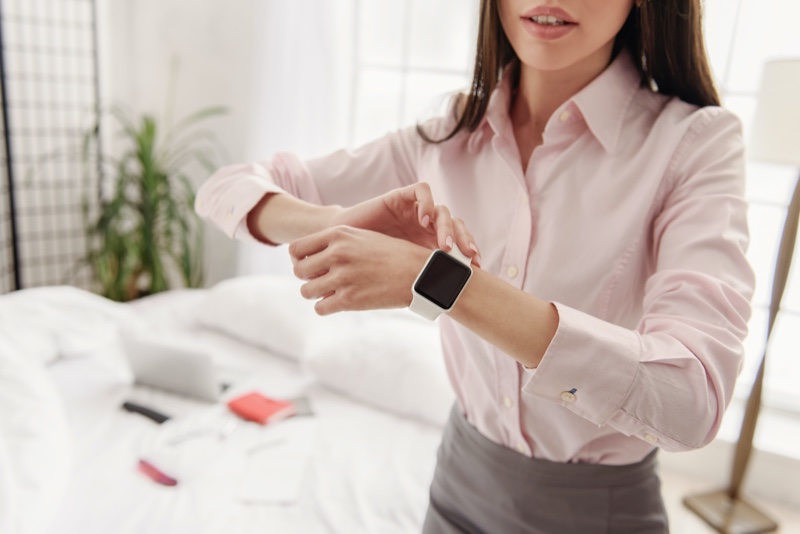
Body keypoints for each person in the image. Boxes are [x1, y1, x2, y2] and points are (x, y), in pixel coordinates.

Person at [195, 0, 755, 531]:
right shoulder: (448, 132)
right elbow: (225, 189)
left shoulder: (694, 144)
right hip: (458, 488)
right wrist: (338, 220)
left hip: (598, 513)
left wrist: (439, 282)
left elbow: (692, 400)